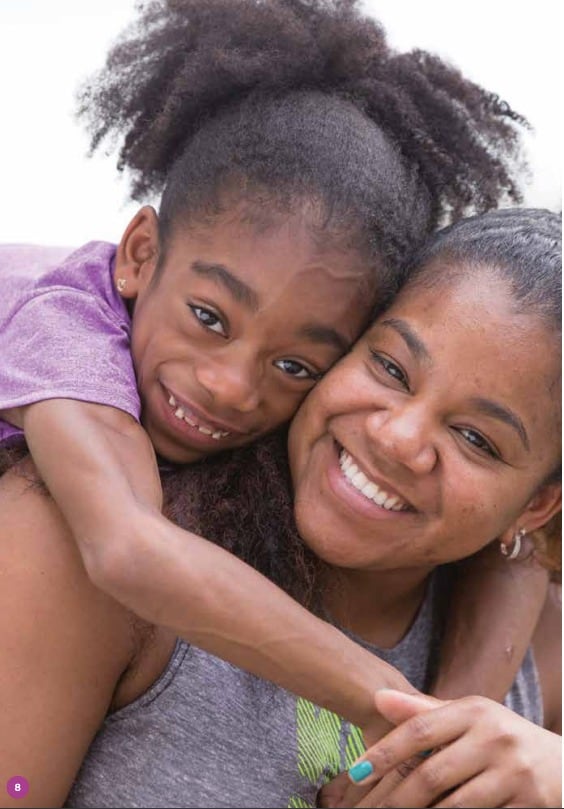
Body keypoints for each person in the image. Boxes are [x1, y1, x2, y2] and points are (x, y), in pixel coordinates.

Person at [0, 0, 548, 765]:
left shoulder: (490, 557)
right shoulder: (58, 331)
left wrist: (474, 695)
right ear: (138, 254)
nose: (229, 386)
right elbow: (128, 548)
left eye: (296, 365)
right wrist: (408, 716)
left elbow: (520, 551)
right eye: (209, 316)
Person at [0, 208, 559, 808]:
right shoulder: (77, 534)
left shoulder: (534, 651)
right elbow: (126, 549)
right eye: (391, 367)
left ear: (538, 505)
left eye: (477, 439)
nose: (399, 438)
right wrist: (401, 710)